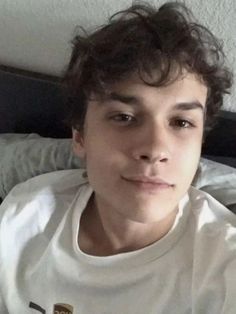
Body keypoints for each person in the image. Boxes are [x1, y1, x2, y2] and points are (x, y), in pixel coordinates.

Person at [0, 2, 235, 313]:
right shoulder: (23, 219)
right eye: (124, 117)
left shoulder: (223, 266)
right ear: (80, 136)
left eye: (181, 123)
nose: (154, 149)